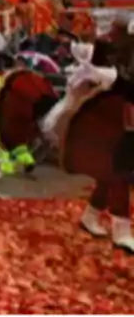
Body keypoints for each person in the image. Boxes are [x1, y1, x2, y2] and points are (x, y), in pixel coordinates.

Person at [73, 22, 134, 253]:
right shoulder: (124, 56)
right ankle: (122, 231)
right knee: (120, 173)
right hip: (124, 121)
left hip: (123, 116)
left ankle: (91, 216)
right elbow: (126, 86)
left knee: (112, 175)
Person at [0, 52, 36, 175]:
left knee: (0, 141)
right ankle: (27, 159)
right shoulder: (8, 79)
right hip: (18, 114)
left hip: (3, 116)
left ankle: (7, 167)